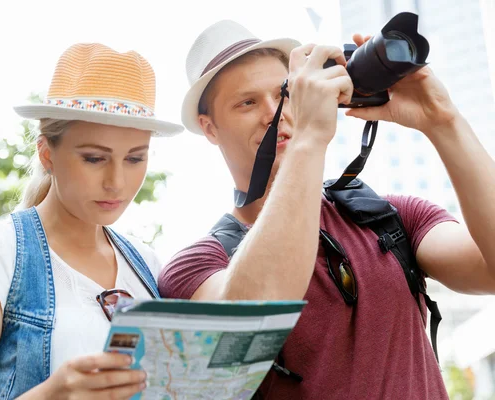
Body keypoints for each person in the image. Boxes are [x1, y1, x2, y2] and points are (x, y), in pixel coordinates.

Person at [158, 19, 495, 399]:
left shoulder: (389, 217)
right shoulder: (196, 267)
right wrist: (309, 139)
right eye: (247, 102)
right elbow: (251, 324)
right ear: (210, 128)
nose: (274, 112)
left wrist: (443, 119)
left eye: (284, 93)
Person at [0, 42, 183, 399]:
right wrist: (52, 394)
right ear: (47, 153)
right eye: (94, 158)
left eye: (135, 159)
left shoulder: (149, 267)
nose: (117, 182)